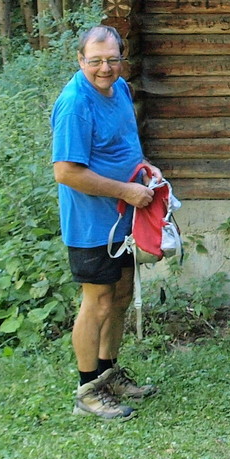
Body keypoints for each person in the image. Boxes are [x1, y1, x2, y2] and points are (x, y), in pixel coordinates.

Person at [51, 25, 163, 420]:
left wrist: (142, 169)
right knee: (97, 300)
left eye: (112, 59)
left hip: (123, 219)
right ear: (80, 60)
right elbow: (66, 172)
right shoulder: (75, 103)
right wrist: (124, 191)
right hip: (90, 222)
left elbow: (123, 144)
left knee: (121, 293)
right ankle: (87, 390)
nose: (105, 68)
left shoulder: (120, 91)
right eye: (95, 61)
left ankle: (109, 373)